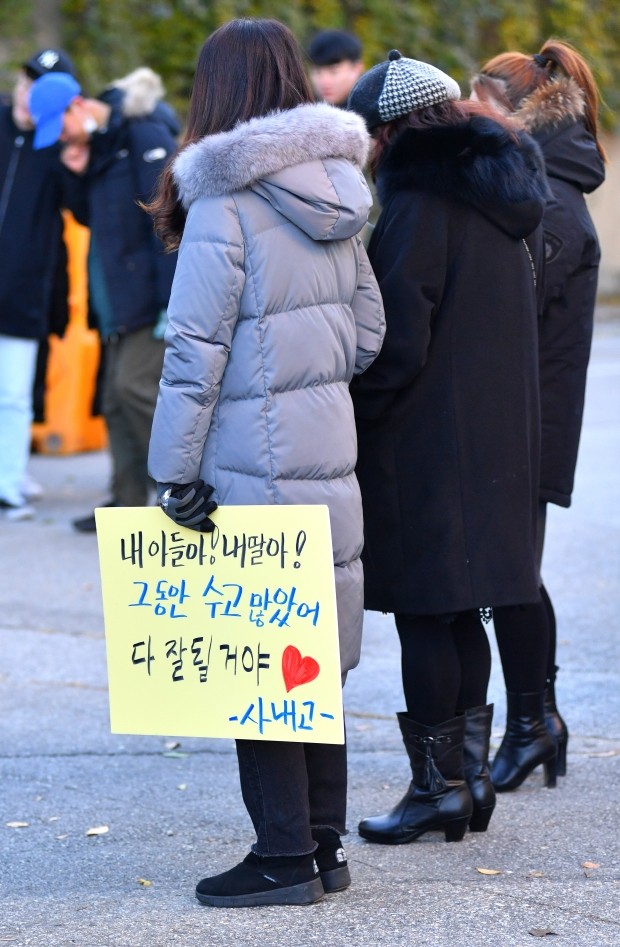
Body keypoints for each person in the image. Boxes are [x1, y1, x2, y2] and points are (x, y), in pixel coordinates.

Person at [146, 18, 384, 907]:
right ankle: (323, 846)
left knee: (260, 654)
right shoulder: (340, 190)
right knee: (309, 652)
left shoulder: (224, 202)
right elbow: (370, 332)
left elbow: (194, 351)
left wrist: (173, 474)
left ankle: (282, 855)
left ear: (217, 91)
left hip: (248, 463)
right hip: (328, 456)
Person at [347, 50, 549, 844]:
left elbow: (397, 341)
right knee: (464, 610)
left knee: (428, 615)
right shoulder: (503, 195)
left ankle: (439, 788)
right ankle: (467, 783)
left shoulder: (418, 200)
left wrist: (353, 409)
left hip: (428, 444)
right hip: (496, 439)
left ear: (390, 130)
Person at [470, 39, 606, 790]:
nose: (469, 114)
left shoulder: (553, 202)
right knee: (509, 570)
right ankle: (537, 720)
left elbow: (509, 309)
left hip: (526, 419)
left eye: (482, 104)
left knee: (512, 572)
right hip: (516, 411)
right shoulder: (537, 182)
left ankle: (534, 724)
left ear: (519, 114)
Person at [28, 66, 179, 532]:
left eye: (61, 127)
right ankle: (126, 504)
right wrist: (76, 173)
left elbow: (167, 217)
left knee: (135, 389)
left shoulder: (141, 132)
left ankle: (182, 492)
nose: (61, 139)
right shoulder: (97, 145)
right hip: (116, 300)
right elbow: (92, 216)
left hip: (148, 298)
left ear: (77, 106)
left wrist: (170, 300)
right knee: (113, 400)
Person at [0, 49, 76, 521]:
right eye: (27, 82)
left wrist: (78, 156)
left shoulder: (57, 147)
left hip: (23, 295)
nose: (29, 94)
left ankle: (8, 484)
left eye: (42, 88)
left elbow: (82, 208)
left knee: (12, 396)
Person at [307, 29, 364, 106]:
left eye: (333, 71)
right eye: (318, 72)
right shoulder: (303, 109)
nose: (324, 82)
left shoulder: (374, 109)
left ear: (356, 68)